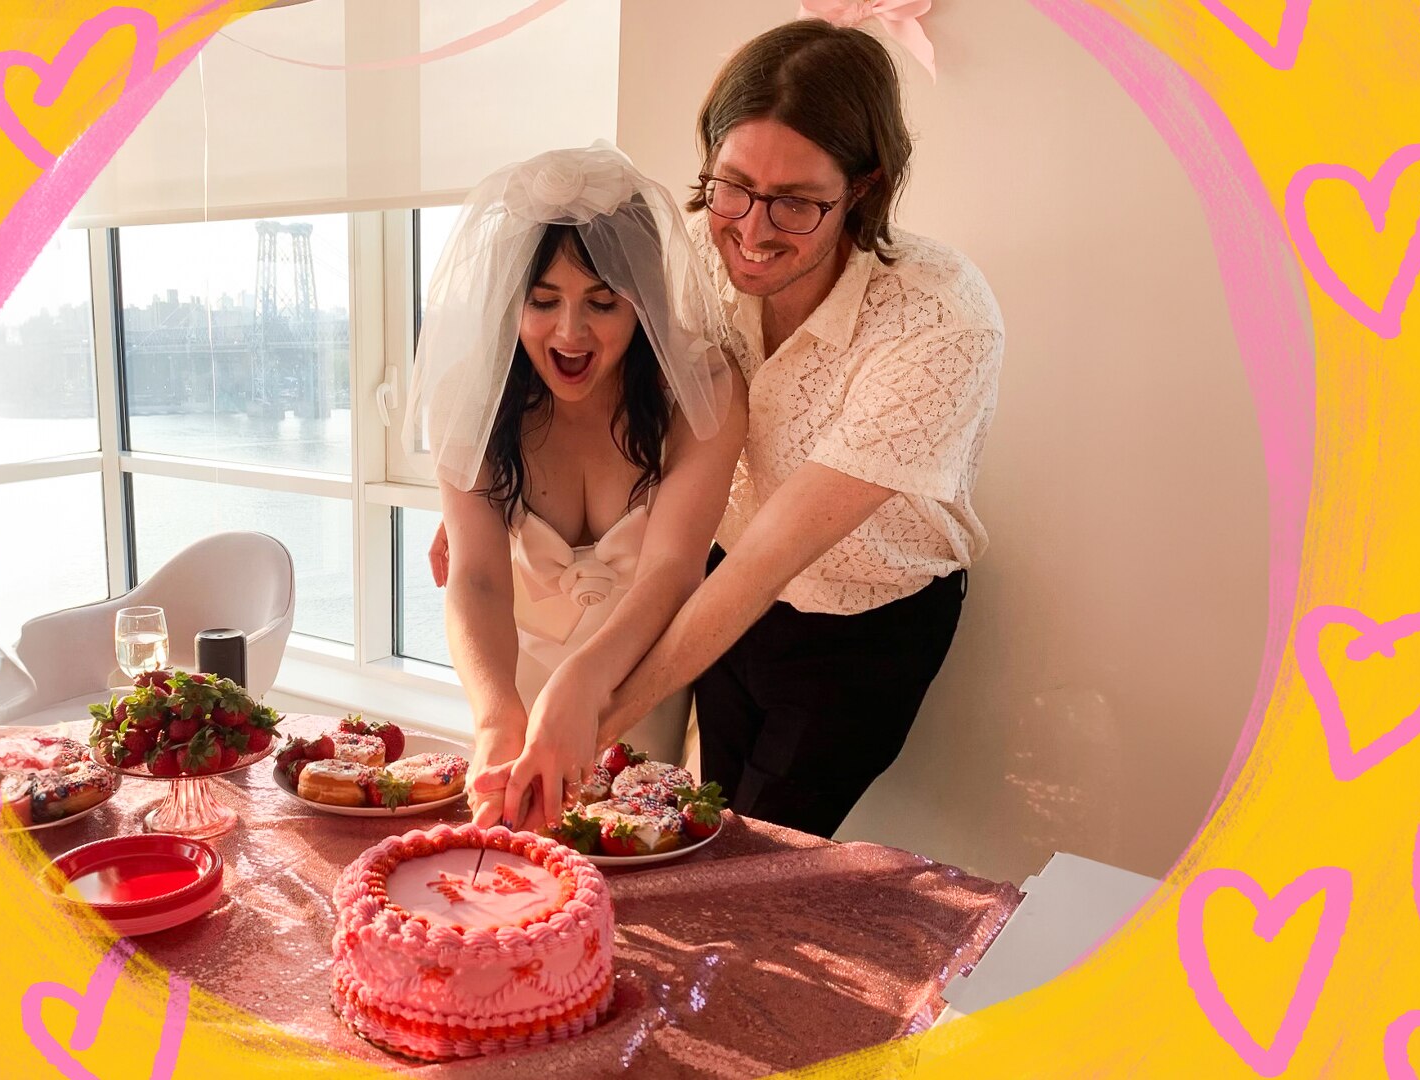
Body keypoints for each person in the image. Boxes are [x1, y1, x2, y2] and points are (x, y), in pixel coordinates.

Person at [461, 20, 1005, 838]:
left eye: (795, 203)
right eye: (733, 187)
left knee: (756, 847)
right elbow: (605, 386)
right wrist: (487, 507)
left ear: (863, 187)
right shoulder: (694, 261)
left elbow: (769, 560)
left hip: (863, 620)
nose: (751, 232)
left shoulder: (939, 320)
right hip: (719, 587)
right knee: (702, 818)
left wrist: (592, 720)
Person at [406, 143, 745, 831]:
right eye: (543, 301)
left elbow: (673, 571)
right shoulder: (468, 399)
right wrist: (497, 716)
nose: (570, 331)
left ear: (642, 302)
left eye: (601, 303)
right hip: (511, 670)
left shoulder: (702, 394)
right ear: (510, 301)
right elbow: (477, 580)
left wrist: (584, 685)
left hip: (643, 675)